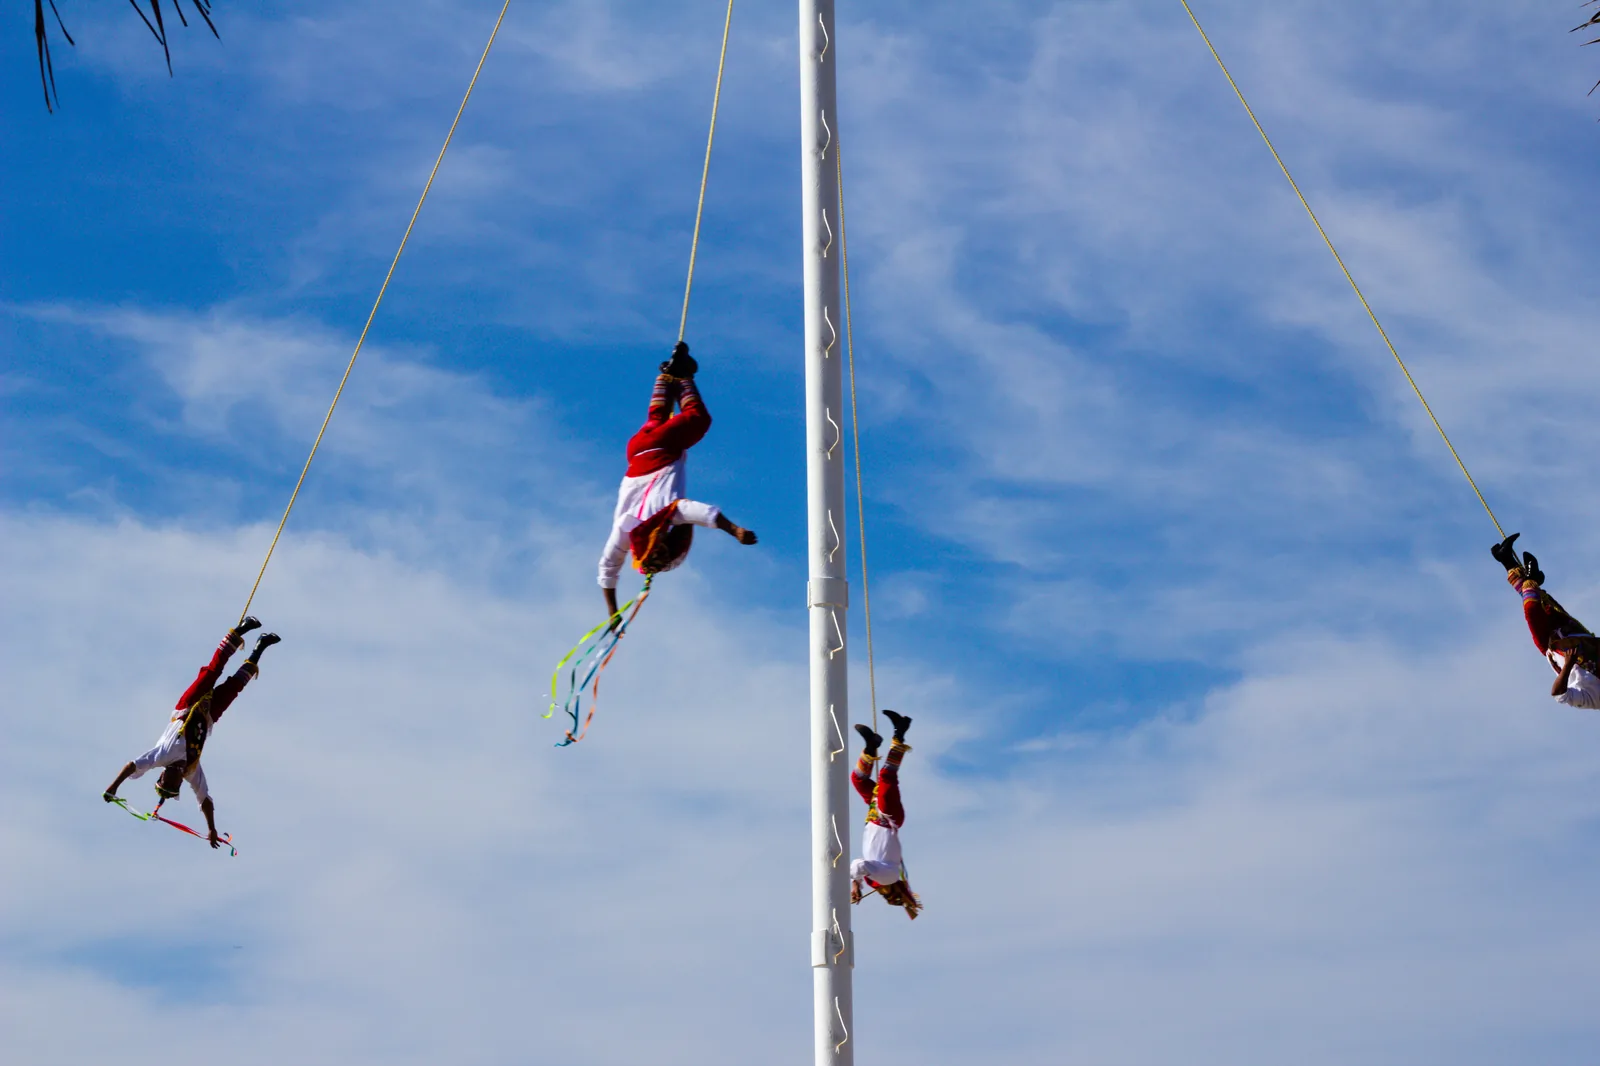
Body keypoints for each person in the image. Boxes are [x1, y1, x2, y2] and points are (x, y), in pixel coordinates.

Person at [597, 342, 757, 624]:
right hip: (636, 450)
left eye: (656, 550)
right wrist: (612, 612)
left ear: (647, 546)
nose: (661, 545)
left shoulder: (666, 514)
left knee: (698, 420)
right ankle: (665, 377)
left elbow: (701, 512)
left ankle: (683, 376)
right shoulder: (624, 533)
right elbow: (607, 570)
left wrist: (735, 531)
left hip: (660, 448)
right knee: (656, 418)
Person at [103, 617, 281, 847]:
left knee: (212, 671)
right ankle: (260, 646)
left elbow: (131, 766)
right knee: (235, 686)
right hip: (207, 717)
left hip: (188, 707)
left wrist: (113, 787)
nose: (174, 782)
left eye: (167, 783)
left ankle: (241, 629)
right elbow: (204, 800)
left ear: (161, 776)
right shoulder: (191, 771)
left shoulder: (160, 757)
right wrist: (212, 829)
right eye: (174, 788)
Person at [1492, 533, 1600, 709]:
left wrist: (1568, 665)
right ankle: (1506, 559)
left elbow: (1559, 695)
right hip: (1576, 633)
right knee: (1543, 601)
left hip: (1553, 646)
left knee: (1532, 608)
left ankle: (1528, 575)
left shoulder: (1596, 699)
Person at [849, 710, 921, 919]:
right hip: (888, 816)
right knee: (887, 775)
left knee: (859, 779)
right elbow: (859, 865)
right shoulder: (888, 877)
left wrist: (857, 883)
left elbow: (862, 867)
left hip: (875, 814)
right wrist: (855, 884)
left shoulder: (878, 876)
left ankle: (871, 744)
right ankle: (900, 733)